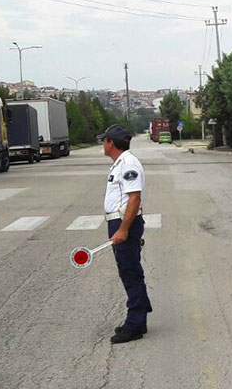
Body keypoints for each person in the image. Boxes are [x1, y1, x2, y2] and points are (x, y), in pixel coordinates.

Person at [97, 124, 152, 344]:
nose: (103, 144)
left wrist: (123, 229)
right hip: (121, 223)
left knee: (130, 272)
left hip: (125, 224)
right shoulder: (120, 164)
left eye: (104, 140)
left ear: (111, 143)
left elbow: (134, 198)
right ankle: (140, 316)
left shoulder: (128, 164)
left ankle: (135, 324)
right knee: (129, 271)